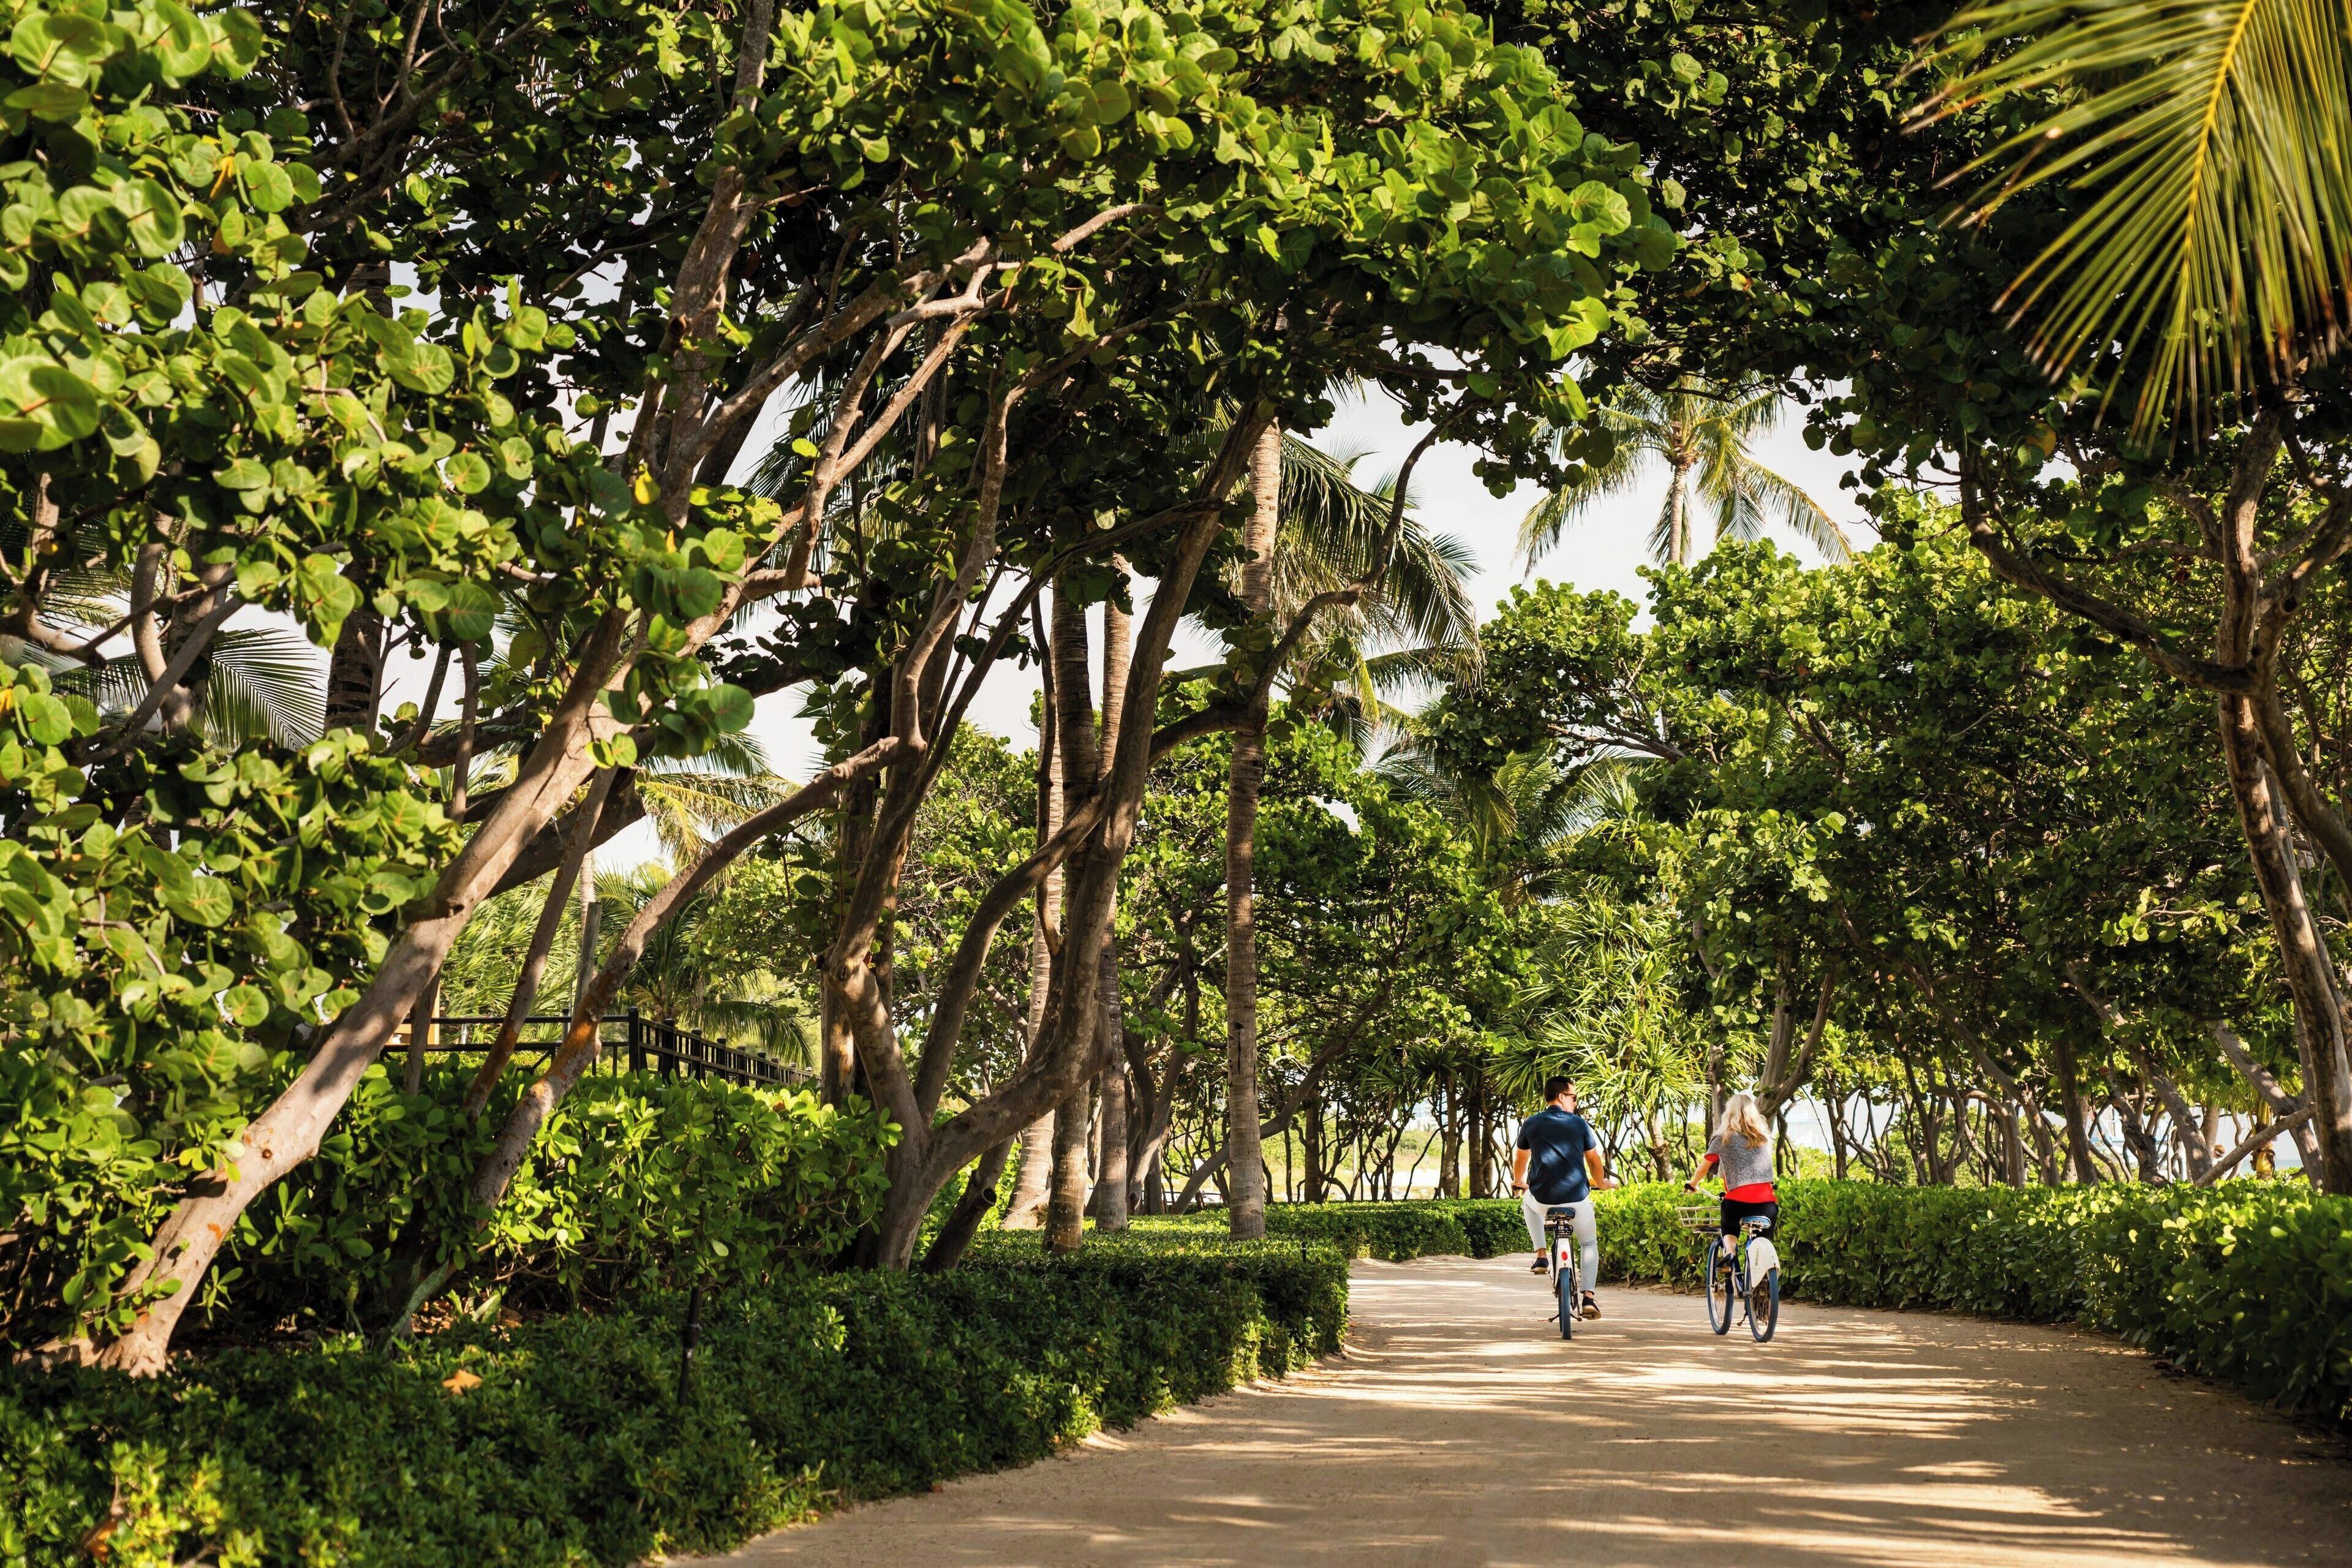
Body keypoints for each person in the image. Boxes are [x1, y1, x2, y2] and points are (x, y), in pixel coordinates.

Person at [1512, 1076, 1615, 1320]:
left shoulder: (1532, 1123)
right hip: (1576, 1199)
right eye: (1574, 1097)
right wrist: (1601, 1183)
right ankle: (1589, 1296)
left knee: (1528, 1202)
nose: (1575, 1102)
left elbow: (1521, 1159)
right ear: (1562, 1096)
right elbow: (1593, 1161)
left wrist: (1519, 1182)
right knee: (1589, 1244)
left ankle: (1541, 1256)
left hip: (1542, 1198)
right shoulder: (1579, 1124)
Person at [1684, 1091, 1777, 1296]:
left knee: (1729, 1223)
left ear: (1730, 1114)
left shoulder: (1723, 1138)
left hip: (1738, 1201)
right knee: (1764, 1237)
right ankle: (1762, 1277)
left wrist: (1692, 1184)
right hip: (1767, 1203)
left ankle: (1729, 1253)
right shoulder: (1765, 1138)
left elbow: (1703, 1168)